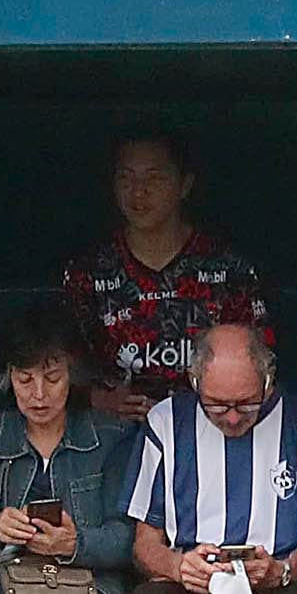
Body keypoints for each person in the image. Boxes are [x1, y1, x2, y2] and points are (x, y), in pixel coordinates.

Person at [124, 325, 297, 594]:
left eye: (246, 404)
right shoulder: (165, 421)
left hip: (280, 589)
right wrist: (178, 566)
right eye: (217, 405)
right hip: (187, 589)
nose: (232, 418)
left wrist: (283, 570)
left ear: (268, 382)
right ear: (195, 383)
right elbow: (144, 544)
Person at [0, 297, 138, 594]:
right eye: (25, 380)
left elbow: (130, 539)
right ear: (8, 378)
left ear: (73, 376)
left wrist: (74, 544)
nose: (39, 394)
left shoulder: (113, 437)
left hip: (88, 581)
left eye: (53, 378)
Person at [62, 132, 274, 421]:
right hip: (117, 434)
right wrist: (99, 399)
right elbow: (57, 368)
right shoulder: (88, 272)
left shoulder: (229, 269)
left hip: (209, 430)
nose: (138, 192)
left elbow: (261, 361)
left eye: (154, 178)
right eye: (126, 178)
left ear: (184, 185)